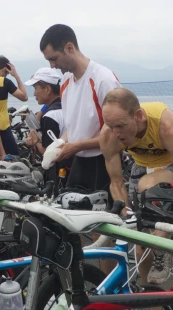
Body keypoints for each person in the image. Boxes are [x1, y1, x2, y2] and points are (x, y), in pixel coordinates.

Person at [100, 88, 173, 284]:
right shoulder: (109, 134)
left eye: (120, 126)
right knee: (140, 246)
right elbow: (116, 183)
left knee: (148, 185)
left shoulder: (166, 125)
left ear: (138, 116)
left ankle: (163, 249)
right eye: (110, 125)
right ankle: (154, 308)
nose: (115, 133)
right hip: (142, 163)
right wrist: (129, 220)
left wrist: (169, 223)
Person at [39, 24, 121, 193]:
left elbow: (119, 134)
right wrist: (61, 142)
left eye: (54, 58)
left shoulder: (103, 80)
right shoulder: (65, 81)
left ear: (69, 48)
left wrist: (77, 146)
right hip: (79, 161)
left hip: (104, 161)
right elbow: (73, 126)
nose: (52, 66)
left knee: (103, 217)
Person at [24, 67, 67, 182]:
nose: (34, 93)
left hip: (58, 171)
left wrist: (36, 140)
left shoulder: (50, 116)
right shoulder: (68, 106)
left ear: (48, 89)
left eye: (35, 88)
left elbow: (48, 152)